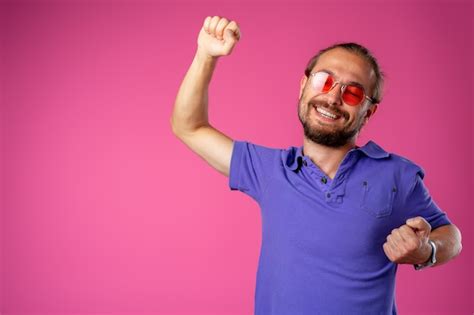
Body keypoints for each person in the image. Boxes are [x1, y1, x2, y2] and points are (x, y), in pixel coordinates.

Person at [170, 15, 462, 315]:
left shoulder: (397, 174)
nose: (333, 97)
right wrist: (205, 55)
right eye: (324, 80)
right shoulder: (269, 170)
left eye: (353, 92)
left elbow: (452, 236)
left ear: (368, 111)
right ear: (303, 86)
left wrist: (427, 251)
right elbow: (188, 126)